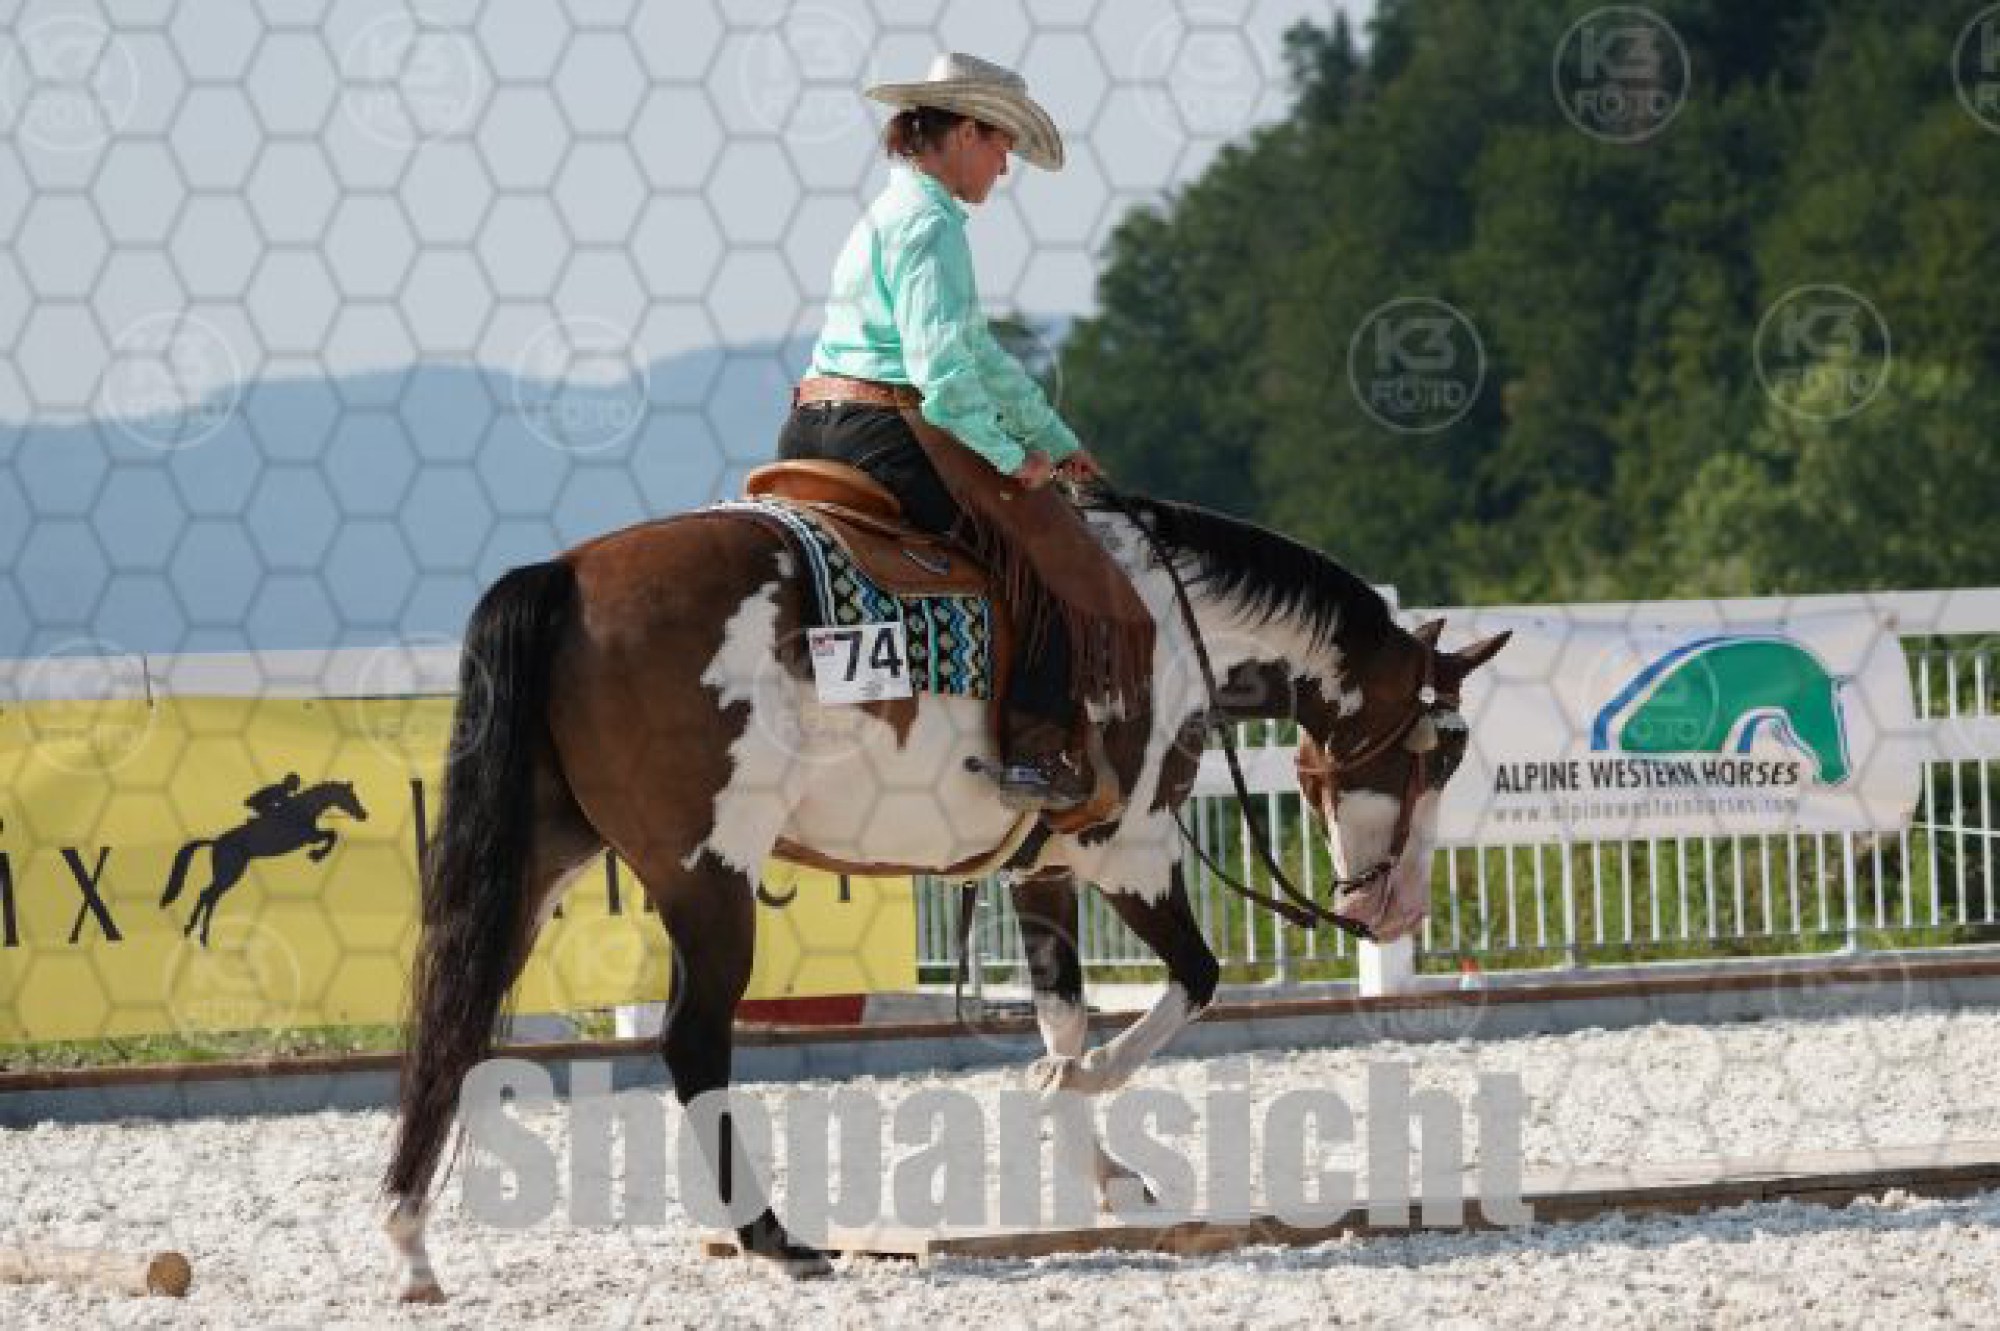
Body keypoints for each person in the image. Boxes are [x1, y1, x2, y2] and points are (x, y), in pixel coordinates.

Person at [780, 52, 1134, 813]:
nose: (1005, 166)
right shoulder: (933, 225)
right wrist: (1013, 458)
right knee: (1049, 554)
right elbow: (943, 374)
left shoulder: (889, 213)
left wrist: (1054, 438)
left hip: (813, 424)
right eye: (1002, 144)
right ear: (968, 131)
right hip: (882, 428)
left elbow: (978, 357)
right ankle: (1037, 751)